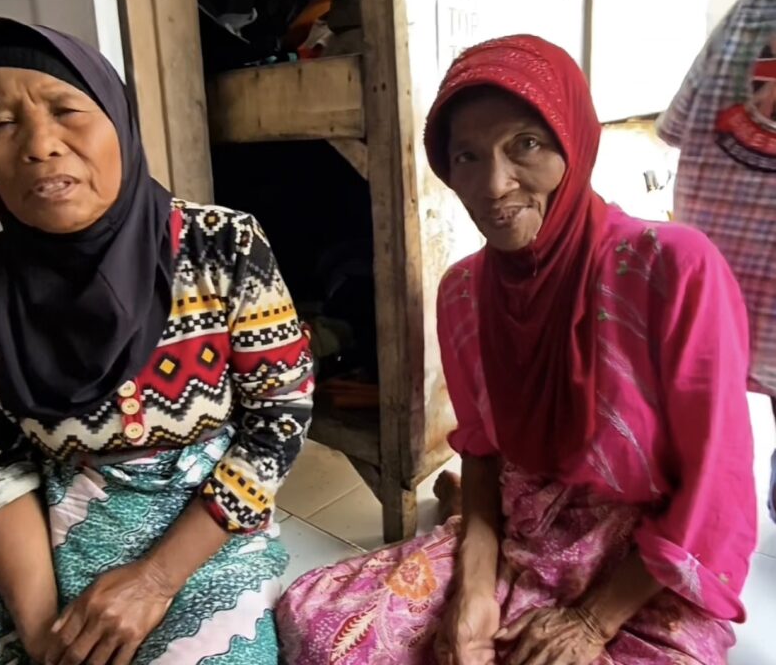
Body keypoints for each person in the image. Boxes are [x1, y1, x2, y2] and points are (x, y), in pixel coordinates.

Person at [277, 34, 756, 665]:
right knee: (315, 625)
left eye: (525, 144)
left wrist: (590, 622)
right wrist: (473, 593)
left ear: (572, 142)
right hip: (521, 532)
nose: (494, 184)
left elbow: (716, 479)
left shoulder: (671, 269)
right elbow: (483, 454)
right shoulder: (464, 293)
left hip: (646, 563)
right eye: (467, 157)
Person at [0, 18, 313, 665]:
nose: (39, 146)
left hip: (205, 524)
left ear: (119, 121)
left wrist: (155, 581)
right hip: (47, 526)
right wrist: (43, 635)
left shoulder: (223, 244)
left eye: (66, 111)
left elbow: (279, 418)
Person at [657, 0, 776, 521]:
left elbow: (675, 127)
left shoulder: (751, 11)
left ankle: (697, 522)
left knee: (698, 425)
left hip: (712, 290)